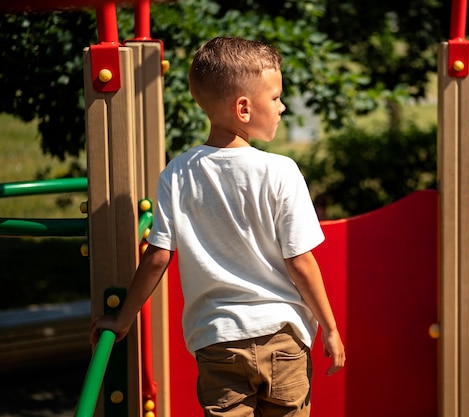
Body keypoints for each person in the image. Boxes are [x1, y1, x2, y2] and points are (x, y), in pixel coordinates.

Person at [89, 36, 345, 416]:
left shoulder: (177, 173)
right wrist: (330, 327)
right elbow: (300, 261)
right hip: (283, 339)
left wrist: (123, 319)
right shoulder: (280, 171)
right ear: (243, 108)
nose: (282, 106)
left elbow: (158, 257)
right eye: (275, 98)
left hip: (217, 341)